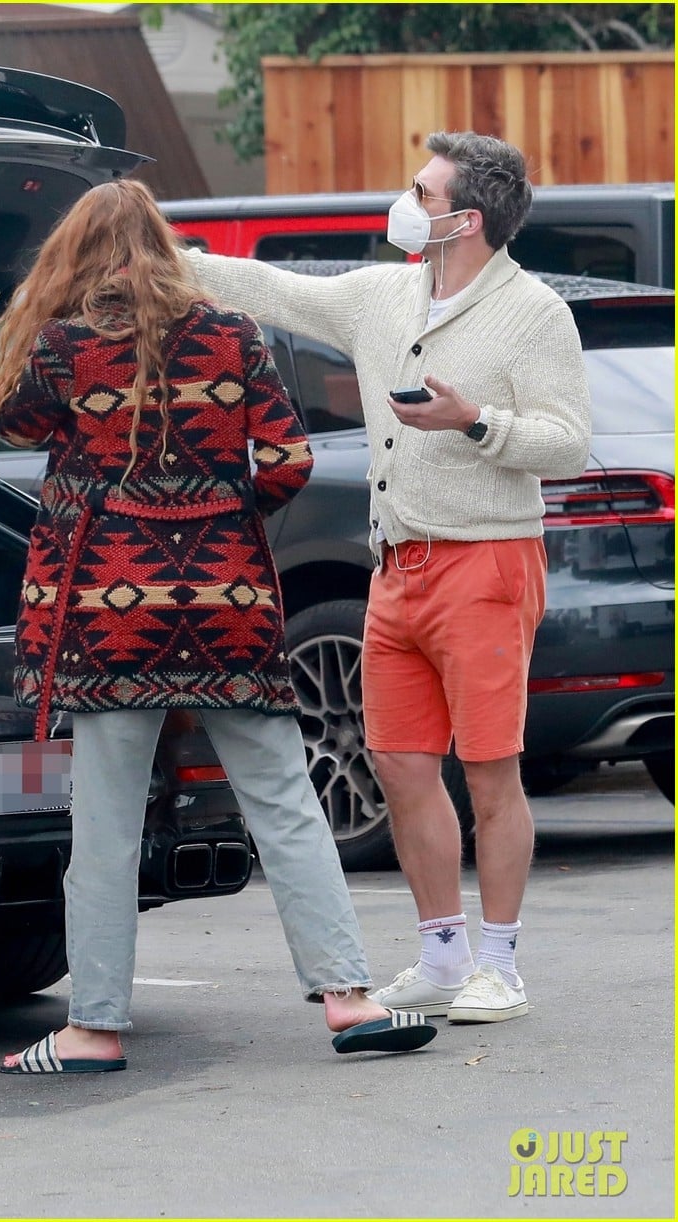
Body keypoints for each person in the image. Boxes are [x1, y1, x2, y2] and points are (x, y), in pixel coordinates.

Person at [0, 179, 436, 1073]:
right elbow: (289, 459)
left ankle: (93, 1029)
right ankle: (350, 1000)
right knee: (286, 805)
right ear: (163, 245)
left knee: (106, 826)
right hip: (229, 610)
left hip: (110, 619)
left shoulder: (65, 347)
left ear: (76, 253)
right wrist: (220, 516)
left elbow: (17, 428)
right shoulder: (233, 335)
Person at [184, 131, 592, 1024]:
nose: (404, 203)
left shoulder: (532, 313)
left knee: (490, 773)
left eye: (422, 192)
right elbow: (271, 289)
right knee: (401, 767)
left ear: (466, 220)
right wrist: (160, 251)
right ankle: (442, 956)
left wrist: (474, 420)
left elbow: (566, 444)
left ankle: (500, 966)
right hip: (394, 568)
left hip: (485, 561)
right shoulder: (382, 295)